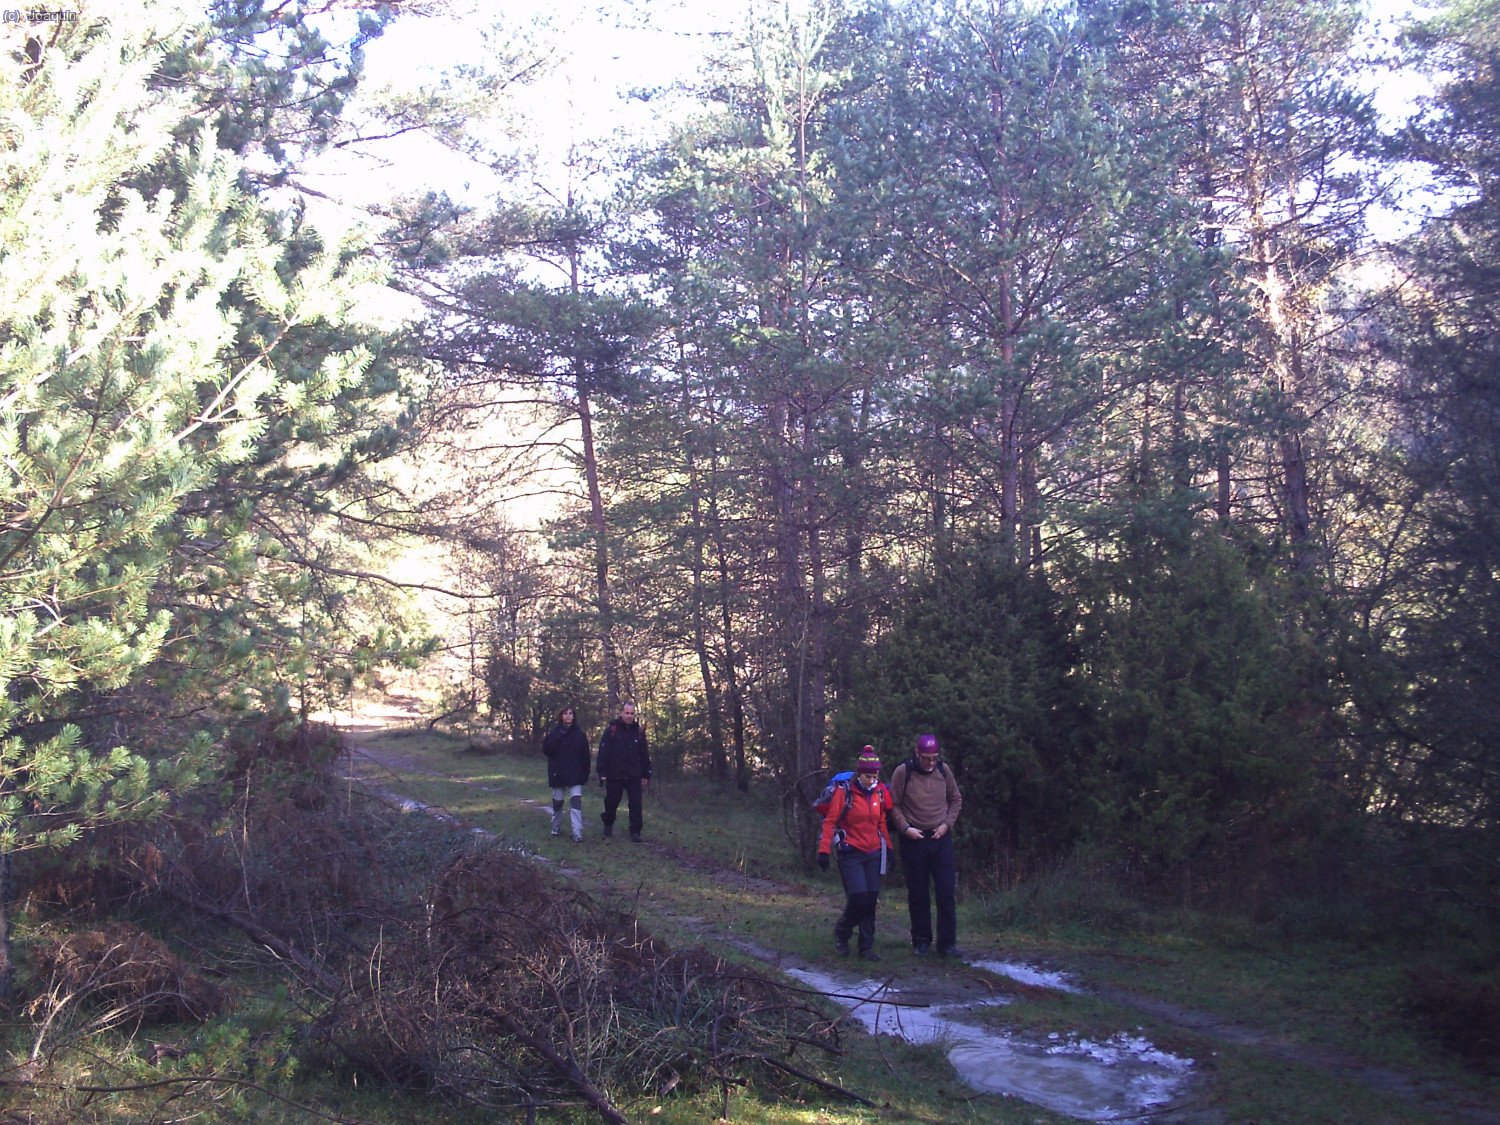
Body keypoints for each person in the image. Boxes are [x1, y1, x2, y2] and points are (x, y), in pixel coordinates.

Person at [817, 747, 894, 961]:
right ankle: (842, 932)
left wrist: (890, 848)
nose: (872, 780)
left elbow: (881, 823)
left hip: (873, 852)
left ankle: (866, 948)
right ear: (859, 774)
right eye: (868, 776)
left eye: (875, 776)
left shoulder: (879, 792)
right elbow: (830, 821)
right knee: (858, 898)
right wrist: (823, 851)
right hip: (850, 852)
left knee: (871, 899)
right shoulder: (845, 792)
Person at [890, 733, 964, 957]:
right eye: (926, 758)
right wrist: (905, 828)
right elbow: (893, 805)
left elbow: (956, 799)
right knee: (918, 892)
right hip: (914, 839)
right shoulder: (904, 772)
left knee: (945, 891)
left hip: (941, 838)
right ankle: (921, 940)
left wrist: (947, 825)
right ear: (917, 754)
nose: (930, 762)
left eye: (934, 758)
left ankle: (947, 944)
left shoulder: (944, 770)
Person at [596, 700, 652, 842]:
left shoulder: (638, 732)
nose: (629, 716)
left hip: (634, 774)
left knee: (635, 803)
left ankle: (635, 831)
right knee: (611, 802)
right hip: (615, 773)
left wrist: (646, 773)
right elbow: (604, 751)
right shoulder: (612, 730)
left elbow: (644, 754)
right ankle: (608, 824)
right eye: (627, 713)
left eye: (632, 713)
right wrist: (602, 772)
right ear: (621, 713)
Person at [542, 705, 591, 842]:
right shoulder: (555, 732)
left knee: (576, 802)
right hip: (558, 773)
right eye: (565, 713)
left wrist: (585, 774)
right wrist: (557, 739)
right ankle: (555, 828)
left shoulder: (580, 734)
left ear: (574, 716)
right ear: (561, 716)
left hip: (575, 774)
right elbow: (546, 750)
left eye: (570, 713)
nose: (568, 716)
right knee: (557, 803)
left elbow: (585, 756)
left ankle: (577, 833)